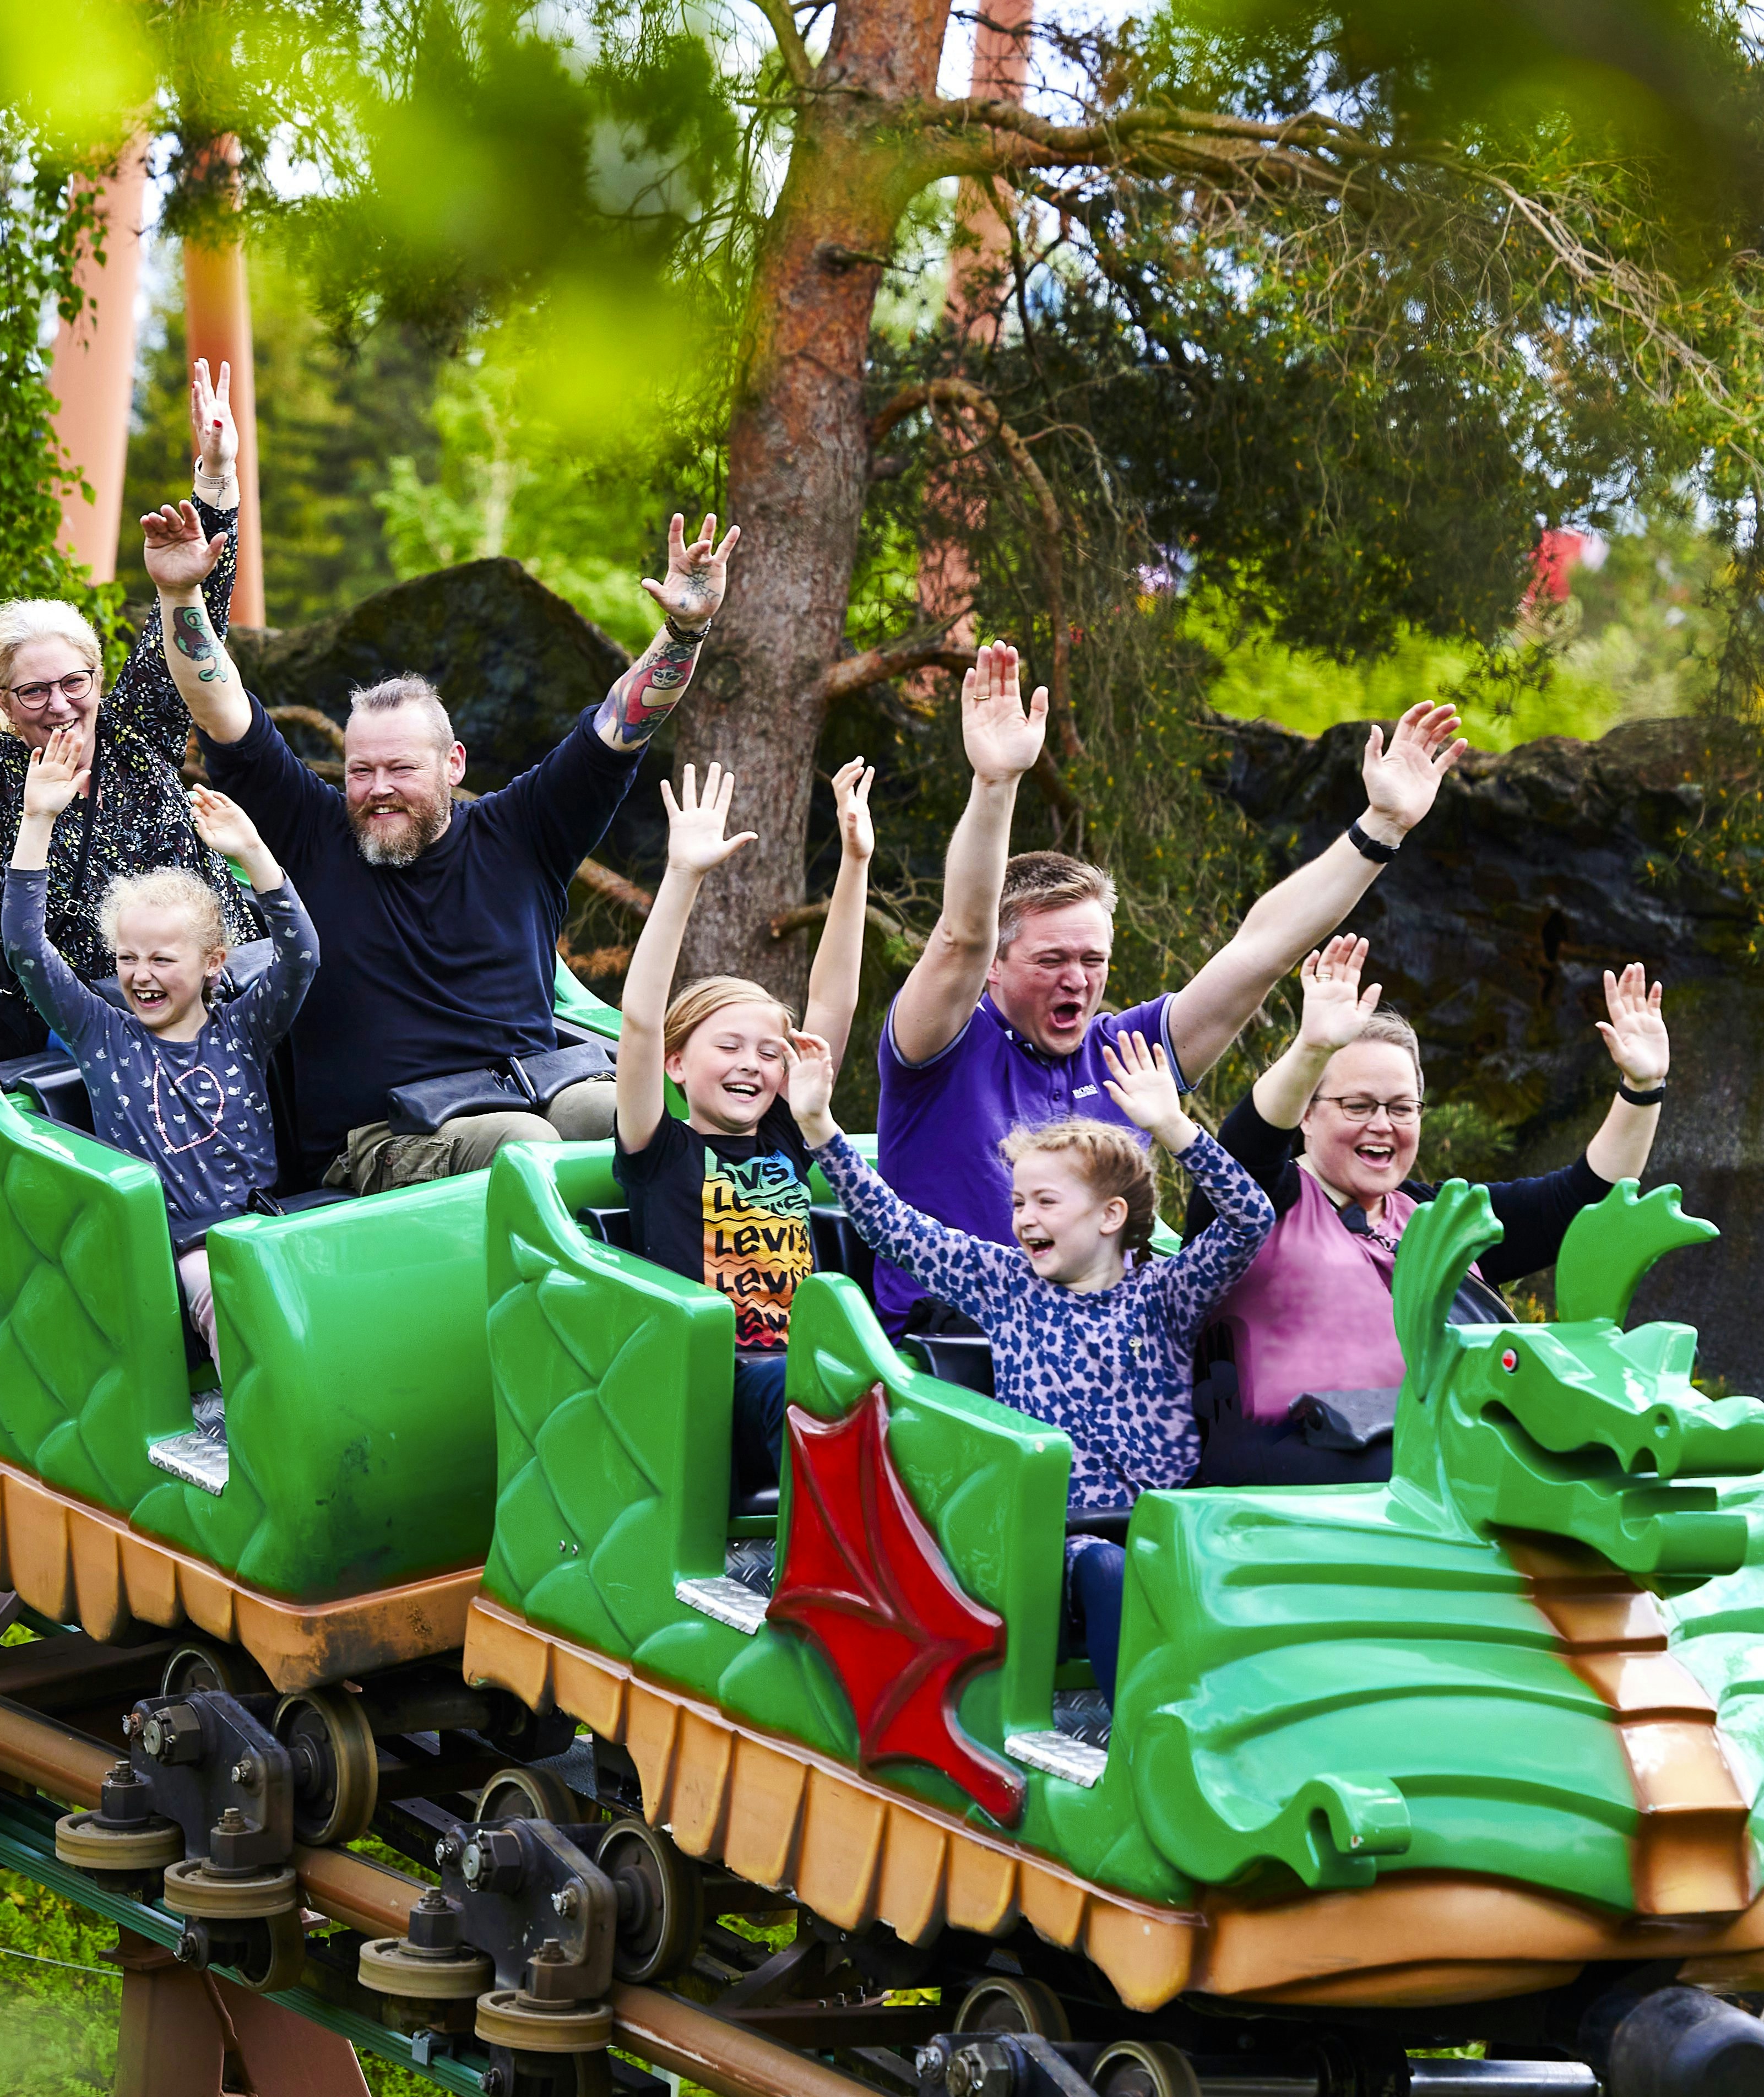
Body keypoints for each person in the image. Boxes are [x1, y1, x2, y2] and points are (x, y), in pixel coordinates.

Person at [142, 502, 745, 1193]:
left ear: (452, 764)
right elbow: (221, 708)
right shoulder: (310, 831)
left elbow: (620, 726)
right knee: (525, 1148)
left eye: (400, 769)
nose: (376, 789)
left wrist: (683, 629)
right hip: (379, 1138)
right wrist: (180, 593)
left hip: (533, 1090)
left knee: (621, 1118)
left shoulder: (522, 832)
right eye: (361, 770)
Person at [865, 677, 1467, 1324]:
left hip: (1108, 1349)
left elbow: (1258, 951)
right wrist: (994, 784)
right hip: (960, 1350)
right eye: (1051, 960)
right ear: (995, 969)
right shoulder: (940, 1047)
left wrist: (1380, 827)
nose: (1077, 979)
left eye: (1092, 960)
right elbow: (961, 936)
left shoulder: (1125, 1053)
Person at [793, 1023, 1272, 1715]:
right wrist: (818, 1126)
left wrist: (1173, 1126)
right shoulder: (1006, 1284)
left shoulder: (1166, 1292)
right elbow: (892, 1227)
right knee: (1105, 1568)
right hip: (1058, 1535)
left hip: (1159, 1524)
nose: (1023, 1218)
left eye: (1045, 1202)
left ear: (1111, 1214)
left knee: (1229, 1566)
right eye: (1017, 1202)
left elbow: (1248, 1221)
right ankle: (1133, 1743)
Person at [0, 361, 259, 987]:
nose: (58, 704)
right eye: (33, 690)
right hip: (95, 1023)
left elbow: (196, 615)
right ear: (3, 700)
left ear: (96, 677)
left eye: (72, 683)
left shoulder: (135, 733)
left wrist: (216, 478)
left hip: (226, 987)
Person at [1189, 936, 1675, 1486]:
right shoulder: (1254, 1202)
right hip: (1292, 1457)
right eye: (1357, 1105)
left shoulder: (1440, 1215)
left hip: (1446, 1447)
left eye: (1401, 1108)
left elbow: (1581, 1203)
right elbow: (1245, 1145)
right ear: (1304, 1111)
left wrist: (1641, 1088)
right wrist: (1310, 1049)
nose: (1382, 1124)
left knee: (1607, 1461)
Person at [0, 724, 317, 1365]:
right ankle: (257, 1435)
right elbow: (25, 949)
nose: (140, 975)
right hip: (187, 1250)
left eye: (162, 959)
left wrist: (252, 854)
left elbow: (300, 956)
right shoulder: (101, 1032)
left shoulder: (243, 1029)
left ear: (213, 964)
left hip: (266, 1226)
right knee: (231, 1302)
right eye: (127, 958)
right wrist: (36, 821)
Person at [609, 756, 878, 1505]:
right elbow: (637, 1018)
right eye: (727, 1047)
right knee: (805, 1398)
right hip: (716, 1382)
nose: (752, 1065)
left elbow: (834, 1000)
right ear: (676, 1063)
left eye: (768, 1052)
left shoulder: (786, 1137)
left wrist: (853, 864)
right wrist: (683, 876)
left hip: (807, 1367)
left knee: (890, 1389)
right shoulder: (659, 1149)